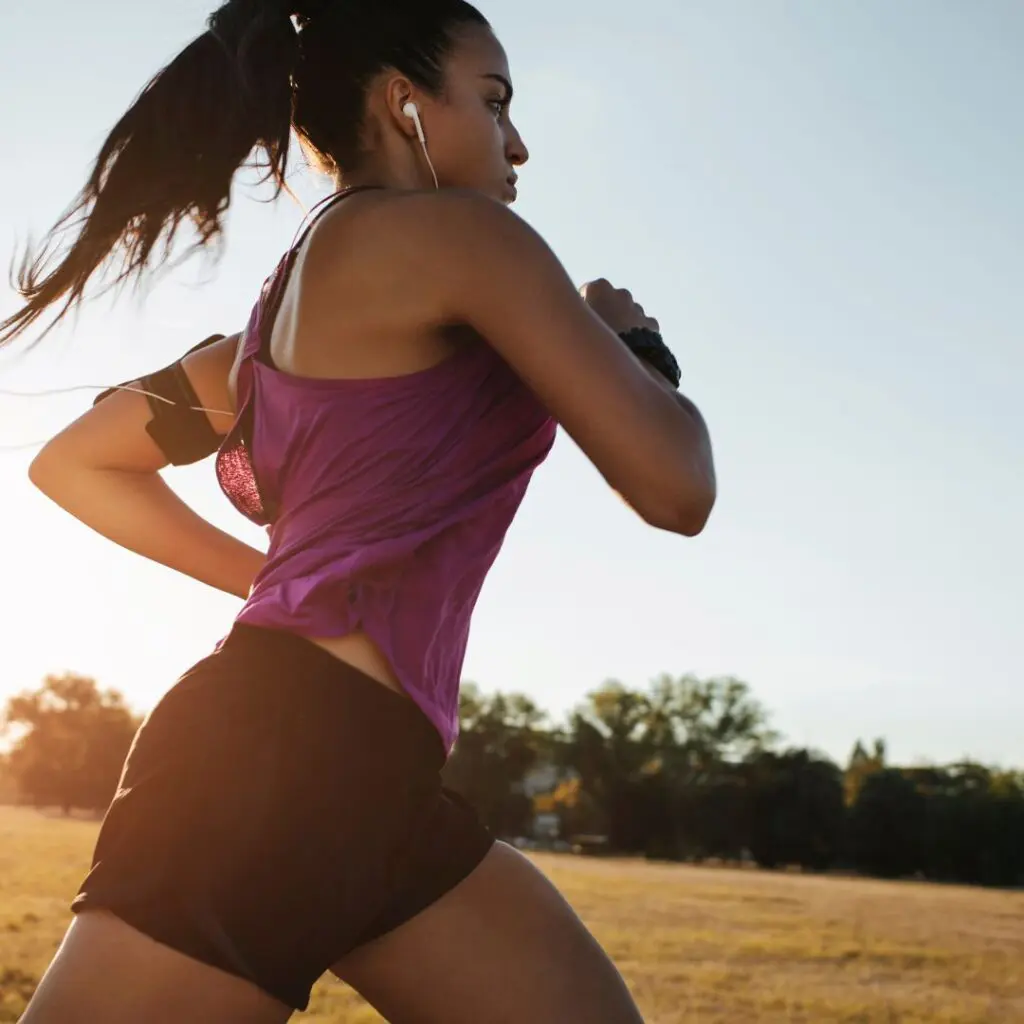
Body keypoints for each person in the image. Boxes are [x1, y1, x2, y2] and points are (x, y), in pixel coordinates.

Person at [3, 1, 716, 1021]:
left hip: (370, 780)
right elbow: (676, 484)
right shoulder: (470, 238)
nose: (518, 142)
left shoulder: (251, 348)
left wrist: (274, 584)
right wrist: (632, 344)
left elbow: (76, 465)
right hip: (279, 765)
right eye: (492, 99)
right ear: (402, 104)